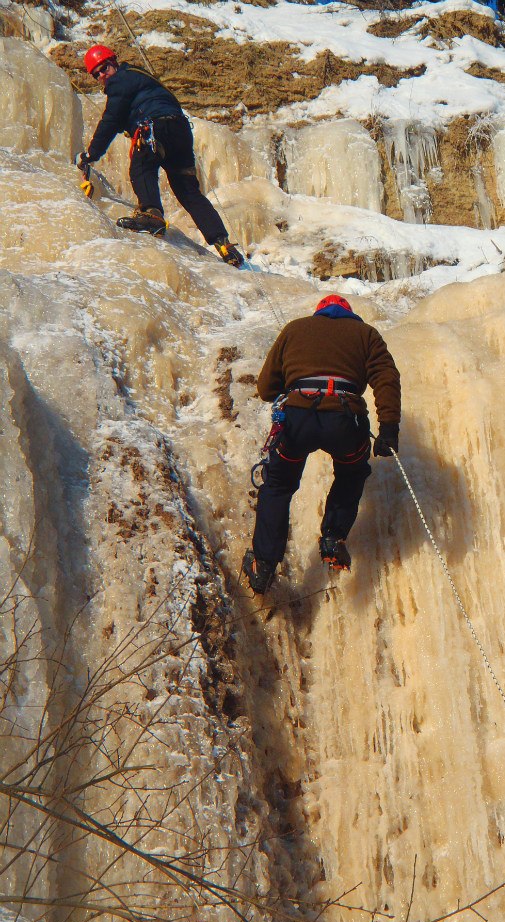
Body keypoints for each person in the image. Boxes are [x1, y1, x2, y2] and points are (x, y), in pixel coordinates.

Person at [243, 295, 401, 595]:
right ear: (349, 315)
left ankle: (263, 564)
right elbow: (387, 379)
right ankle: (333, 538)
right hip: (344, 419)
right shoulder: (366, 334)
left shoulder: (294, 329)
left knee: (278, 485)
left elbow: (265, 388)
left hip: (297, 419)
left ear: (319, 312)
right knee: (351, 472)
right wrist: (389, 429)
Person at [76, 44, 244, 268]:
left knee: (140, 167)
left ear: (114, 62)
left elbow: (111, 119)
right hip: (180, 132)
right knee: (187, 191)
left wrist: (91, 154)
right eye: (96, 74)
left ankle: (152, 214)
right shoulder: (141, 78)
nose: (102, 75)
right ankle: (223, 244)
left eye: (104, 68)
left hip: (156, 128)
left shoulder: (121, 80)